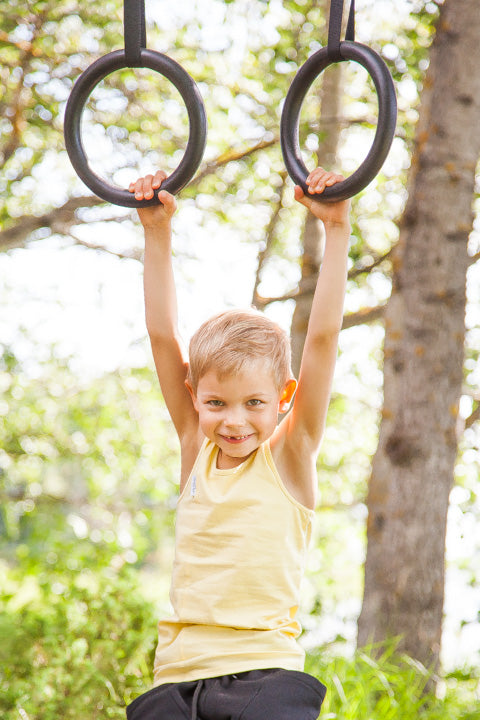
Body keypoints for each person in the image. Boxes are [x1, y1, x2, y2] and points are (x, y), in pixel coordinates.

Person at [126, 167, 351, 720]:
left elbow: (321, 342)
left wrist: (338, 229)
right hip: (177, 680)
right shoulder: (192, 447)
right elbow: (162, 336)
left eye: (254, 403)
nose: (234, 421)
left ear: (283, 397)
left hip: (264, 675)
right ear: (194, 397)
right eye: (216, 404)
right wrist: (157, 231)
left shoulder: (290, 456)